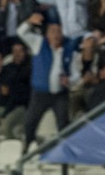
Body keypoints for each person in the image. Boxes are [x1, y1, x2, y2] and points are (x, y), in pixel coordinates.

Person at [18, 14, 82, 144]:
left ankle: (63, 150)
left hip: (60, 94)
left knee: (63, 123)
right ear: (47, 34)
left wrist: (69, 80)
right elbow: (21, 32)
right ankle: (30, 146)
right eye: (53, 31)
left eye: (58, 31)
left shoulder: (69, 49)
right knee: (30, 122)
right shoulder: (39, 43)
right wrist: (29, 21)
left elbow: (76, 74)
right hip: (40, 94)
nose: (56, 35)